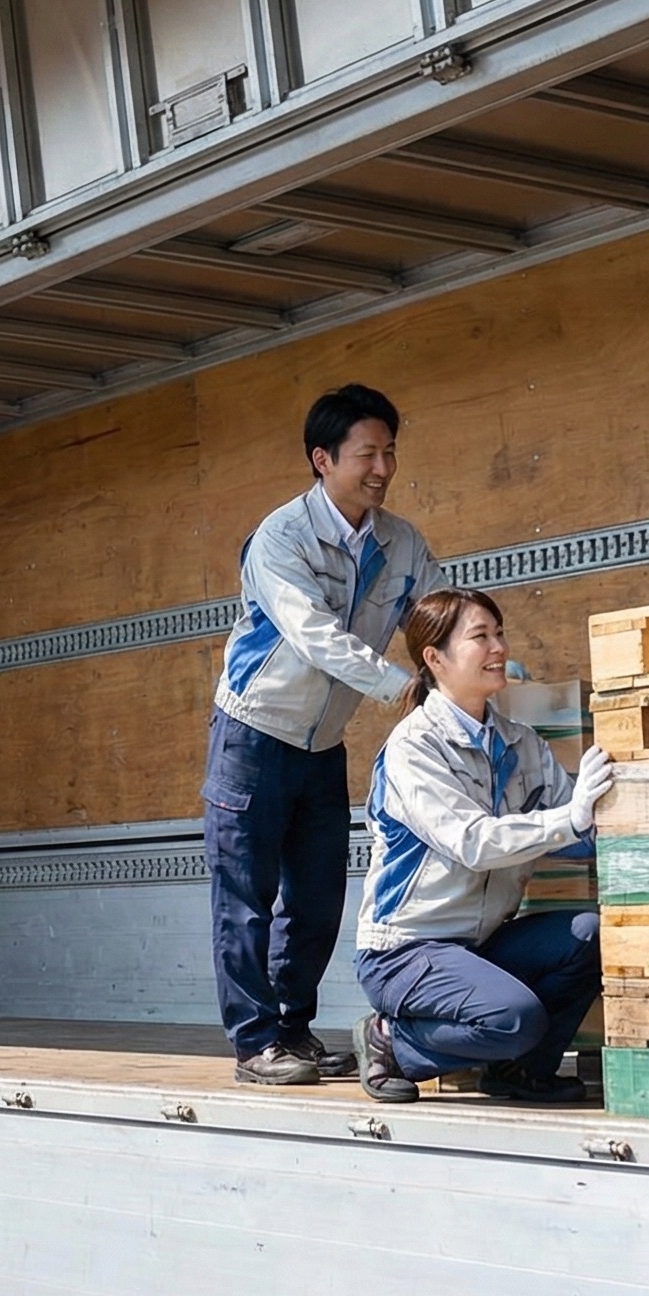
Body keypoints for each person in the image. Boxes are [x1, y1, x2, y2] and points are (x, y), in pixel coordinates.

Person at [206, 385, 446, 1086]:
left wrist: (478, 659)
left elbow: (438, 611)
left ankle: (292, 1030)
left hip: (322, 744)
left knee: (315, 897)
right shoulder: (279, 538)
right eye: (367, 453)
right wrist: (402, 688)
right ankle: (254, 1045)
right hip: (253, 734)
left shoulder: (401, 541)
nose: (382, 466)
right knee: (245, 895)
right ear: (323, 459)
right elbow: (313, 635)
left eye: (390, 451)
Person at [351, 587, 616, 1104]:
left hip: (479, 945)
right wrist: (569, 816)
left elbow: (576, 833)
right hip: (406, 952)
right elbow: (470, 841)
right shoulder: (413, 749)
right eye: (480, 637)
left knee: (592, 936)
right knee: (514, 1016)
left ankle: (520, 1072)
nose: (498, 647)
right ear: (435, 658)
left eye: (499, 633)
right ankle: (390, 1042)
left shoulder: (520, 743)